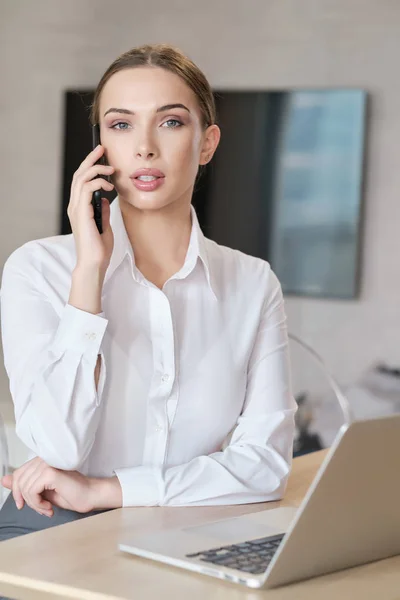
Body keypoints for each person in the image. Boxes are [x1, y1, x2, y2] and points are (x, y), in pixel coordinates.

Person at [0, 44, 297, 545]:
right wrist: (89, 272)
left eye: (171, 122)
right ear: (100, 148)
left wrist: (110, 490)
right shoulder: (38, 268)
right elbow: (57, 447)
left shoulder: (252, 283)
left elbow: (266, 467)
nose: (144, 147)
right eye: (120, 125)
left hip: (185, 529)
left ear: (207, 144)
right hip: (50, 531)